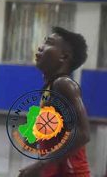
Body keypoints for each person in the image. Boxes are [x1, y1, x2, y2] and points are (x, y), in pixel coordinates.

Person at [18, 27, 91, 177]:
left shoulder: (64, 84)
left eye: (48, 43)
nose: (40, 47)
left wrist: (40, 164)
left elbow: (83, 133)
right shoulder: (49, 89)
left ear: (64, 56)